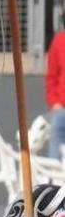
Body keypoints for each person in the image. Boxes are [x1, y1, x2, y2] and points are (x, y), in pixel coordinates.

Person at [45, 26, 65, 160]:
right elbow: (51, 76)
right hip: (62, 113)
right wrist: (55, 103)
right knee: (55, 165)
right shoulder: (59, 41)